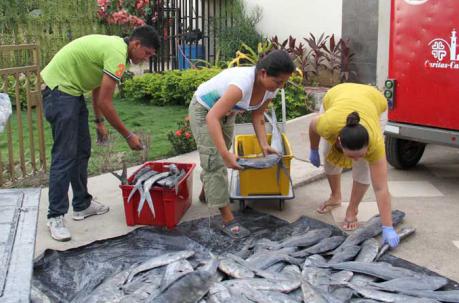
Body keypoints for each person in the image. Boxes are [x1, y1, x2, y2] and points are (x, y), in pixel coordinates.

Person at [41, 26, 160, 241]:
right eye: (147, 54)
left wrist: (98, 122)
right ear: (136, 45)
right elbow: (106, 102)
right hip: (60, 91)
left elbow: (98, 89)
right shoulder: (117, 53)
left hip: (72, 92)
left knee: (82, 151)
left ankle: (81, 205)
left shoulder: (117, 51)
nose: (146, 59)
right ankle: (55, 216)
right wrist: (128, 135)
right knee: (65, 155)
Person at [189, 50, 295, 238]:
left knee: (215, 162)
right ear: (263, 73)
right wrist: (224, 153)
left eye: (284, 82)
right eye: (279, 81)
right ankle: (227, 219)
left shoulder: (272, 87)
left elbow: (258, 114)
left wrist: (264, 144)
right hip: (204, 110)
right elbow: (212, 117)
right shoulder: (241, 84)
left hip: (228, 112)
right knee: (216, 160)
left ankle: (209, 189)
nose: (281, 86)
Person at [308, 83, 400, 248]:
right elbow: (312, 126)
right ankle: (335, 196)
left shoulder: (375, 142)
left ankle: (353, 209)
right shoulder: (328, 125)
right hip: (337, 95)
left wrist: (388, 226)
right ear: (339, 141)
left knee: (363, 169)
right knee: (328, 158)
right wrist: (313, 149)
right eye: (351, 156)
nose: (356, 159)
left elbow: (380, 188)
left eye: (361, 154)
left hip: (374, 101)